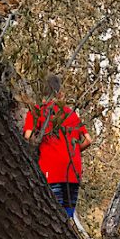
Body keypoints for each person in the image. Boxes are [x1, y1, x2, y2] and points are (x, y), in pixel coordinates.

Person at [23, 74, 91, 218]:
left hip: (51, 169)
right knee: (68, 216)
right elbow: (88, 140)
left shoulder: (37, 111)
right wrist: (74, 150)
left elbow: (28, 137)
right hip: (73, 169)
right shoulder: (71, 114)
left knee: (54, 216)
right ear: (60, 93)